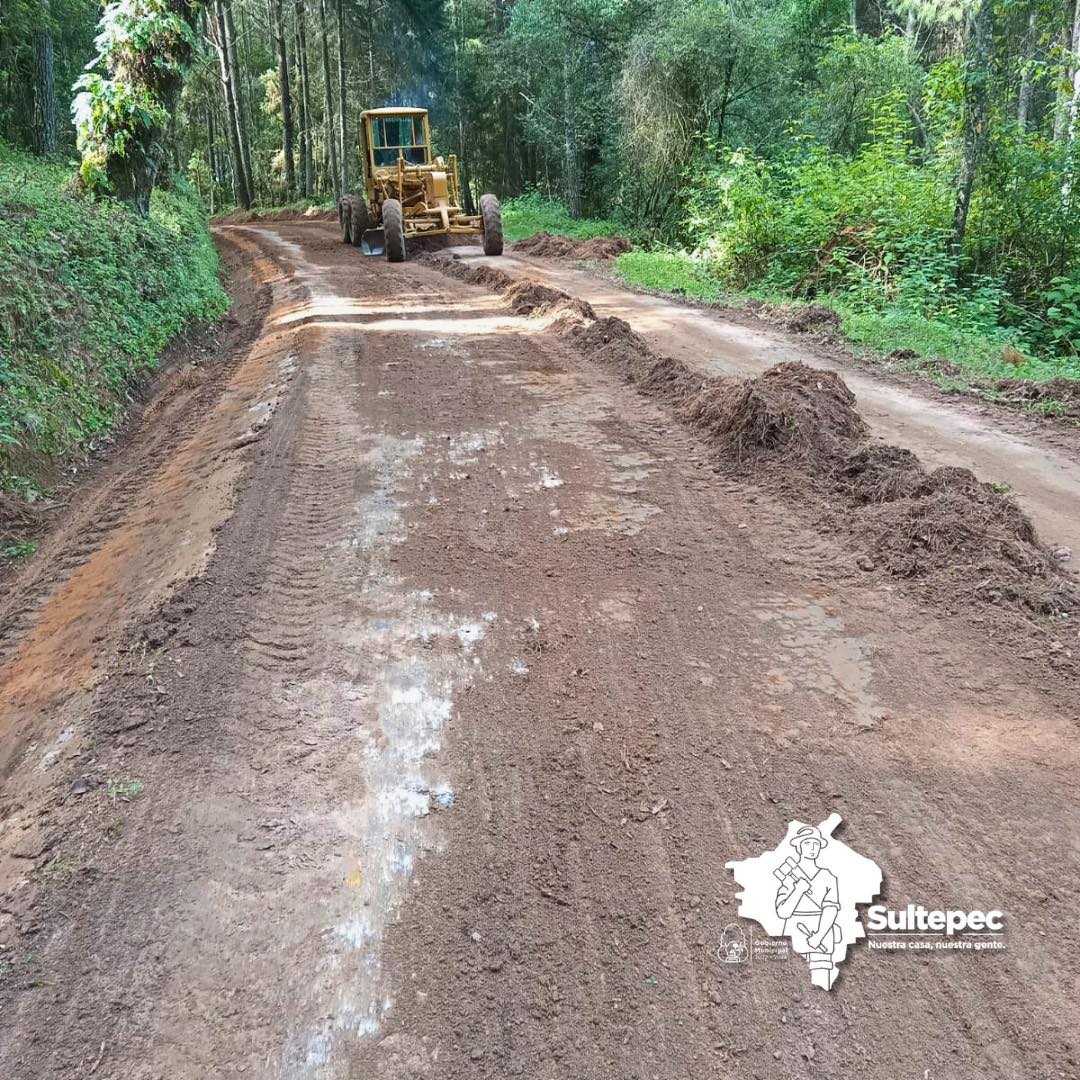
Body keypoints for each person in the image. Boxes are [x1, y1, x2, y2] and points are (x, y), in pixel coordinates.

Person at [774, 825, 841, 989]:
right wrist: (798, 890)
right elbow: (782, 912)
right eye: (807, 843)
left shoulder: (828, 877)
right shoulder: (789, 877)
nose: (812, 848)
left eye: (815, 844)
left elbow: (831, 908)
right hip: (793, 932)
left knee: (821, 985)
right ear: (799, 846)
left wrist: (819, 935)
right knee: (791, 984)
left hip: (822, 933)